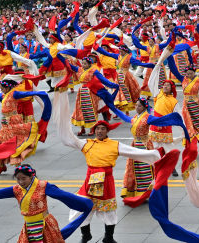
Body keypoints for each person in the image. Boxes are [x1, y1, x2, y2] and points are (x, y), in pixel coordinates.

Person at [53, 93, 162, 243]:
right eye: (97, 129)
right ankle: (86, 235)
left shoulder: (114, 145)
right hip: (90, 181)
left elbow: (135, 152)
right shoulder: (87, 144)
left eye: (103, 129)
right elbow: (68, 138)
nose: (99, 131)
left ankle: (108, 237)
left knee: (109, 211)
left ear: (107, 131)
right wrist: (62, 114)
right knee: (80, 207)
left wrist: (156, 155)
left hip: (106, 181)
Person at [0, 163, 94, 243]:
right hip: (29, 226)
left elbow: (64, 195)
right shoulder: (16, 189)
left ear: (31, 176)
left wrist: (84, 203)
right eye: (18, 179)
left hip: (45, 224)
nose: (21, 182)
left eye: (23, 178)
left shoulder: (43, 186)